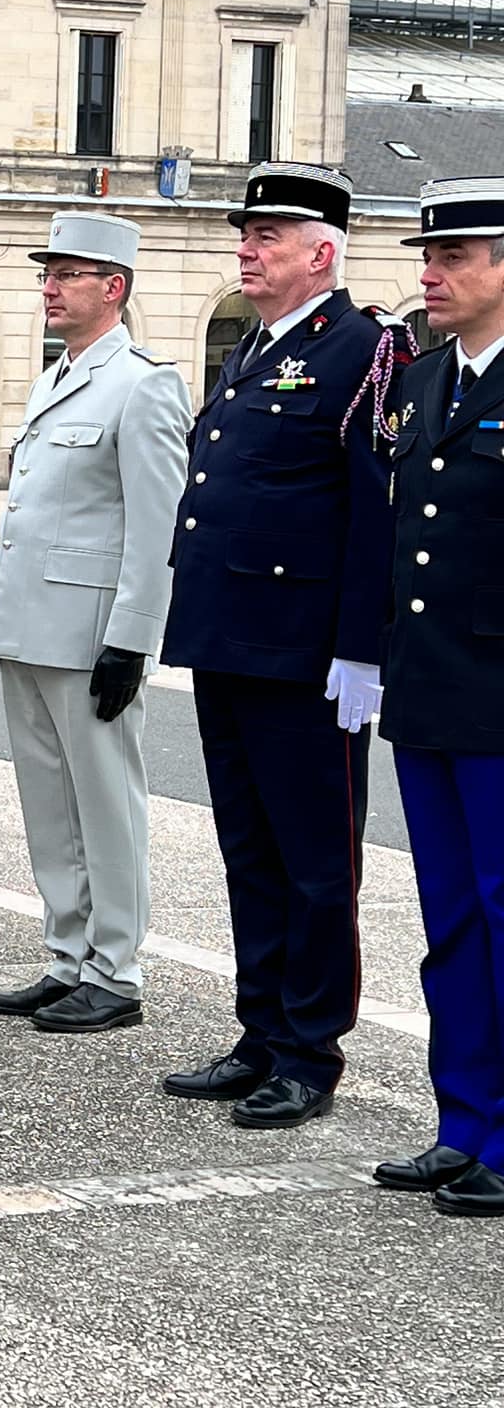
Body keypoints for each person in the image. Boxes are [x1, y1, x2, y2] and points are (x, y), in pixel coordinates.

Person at [159, 163, 404, 1131]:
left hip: (303, 655)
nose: (246, 250)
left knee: (312, 864)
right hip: (228, 637)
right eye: (245, 235)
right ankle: (258, 1030)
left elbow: (371, 513)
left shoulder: (361, 351)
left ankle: (307, 1051)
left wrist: (358, 649)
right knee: (248, 853)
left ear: (322, 252)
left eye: (267, 236)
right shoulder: (251, 350)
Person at [0, 212, 192, 1033]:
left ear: (115, 288)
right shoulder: (54, 376)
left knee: (106, 803)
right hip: (30, 622)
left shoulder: (143, 383)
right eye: (48, 274)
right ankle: (68, 955)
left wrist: (132, 640)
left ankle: (117, 966)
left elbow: (154, 527)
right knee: (48, 802)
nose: (49, 288)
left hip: (91, 630)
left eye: (68, 275)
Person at [375, 176, 504, 1216]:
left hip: (500, 701)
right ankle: (460, 1123)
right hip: (428, 695)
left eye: (454, 256)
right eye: (429, 254)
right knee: (450, 921)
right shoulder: (419, 384)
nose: (431, 272)